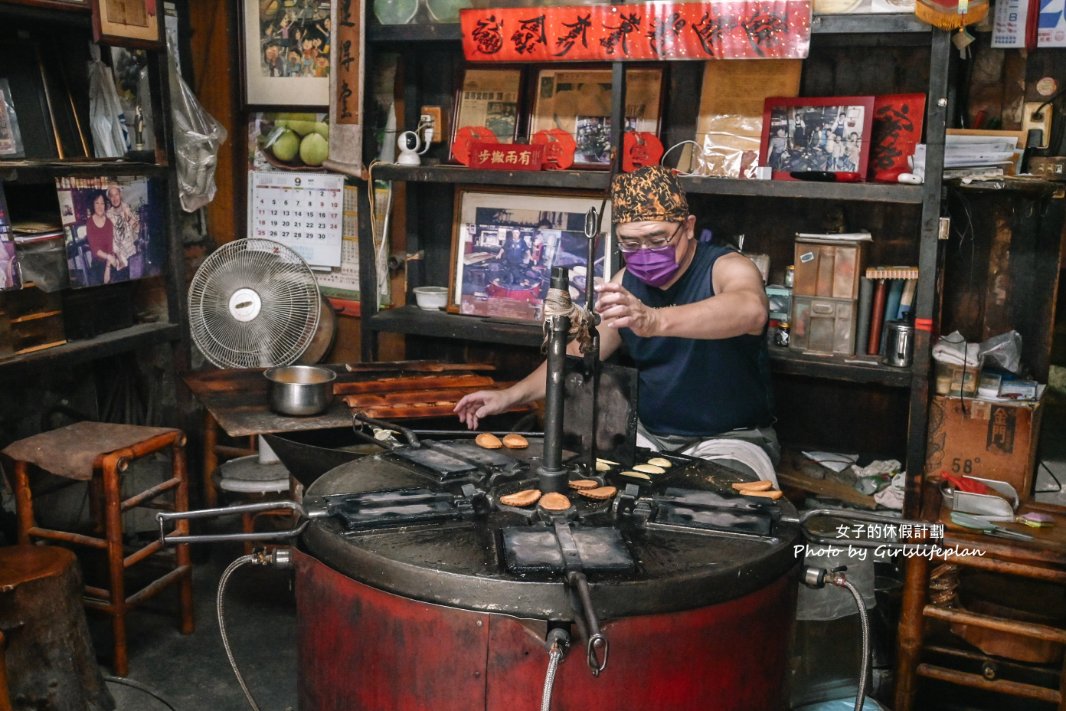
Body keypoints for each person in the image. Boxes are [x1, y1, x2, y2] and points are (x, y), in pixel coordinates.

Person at [455, 165, 780, 482]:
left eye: (658, 239)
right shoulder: (627, 281)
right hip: (647, 435)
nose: (645, 253)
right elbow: (578, 356)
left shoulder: (726, 267)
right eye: (630, 244)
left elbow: (750, 310)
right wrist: (510, 396)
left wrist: (654, 320)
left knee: (731, 513)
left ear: (689, 226)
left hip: (731, 440)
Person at [84, 192, 119, 285]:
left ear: (105, 205)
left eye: (102, 203)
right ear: (93, 205)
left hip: (109, 261)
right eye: (97, 203)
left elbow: (110, 246)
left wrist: (108, 267)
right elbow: (95, 249)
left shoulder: (108, 222)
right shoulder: (90, 223)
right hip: (97, 263)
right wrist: (109, 258)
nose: (100, 206)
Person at [106, 183, 139, 280]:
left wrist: (128, 217)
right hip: (120, 256)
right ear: (109, 198)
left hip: (132, 253)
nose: (115, 198)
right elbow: (110, 239)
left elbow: (138, 228)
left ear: (120, 195)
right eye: (112, 196)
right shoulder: (108, 215)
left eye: (116, 194)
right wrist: (119, 258)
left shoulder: (128, 208)